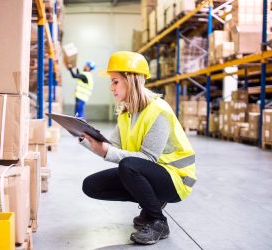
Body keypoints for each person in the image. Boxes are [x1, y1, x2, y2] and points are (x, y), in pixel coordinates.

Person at [79, 51, 196, 245]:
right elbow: (114, 147)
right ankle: (152, 202)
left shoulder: (159, 110)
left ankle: (158, 221)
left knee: (128, 165)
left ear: (131, 80)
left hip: (177, 179)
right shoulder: (126, 113)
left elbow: (147, 159)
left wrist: (107, 150)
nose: (111, 87)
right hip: (150, 172)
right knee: (91, 186)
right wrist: (89, 141)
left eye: (115, 81)